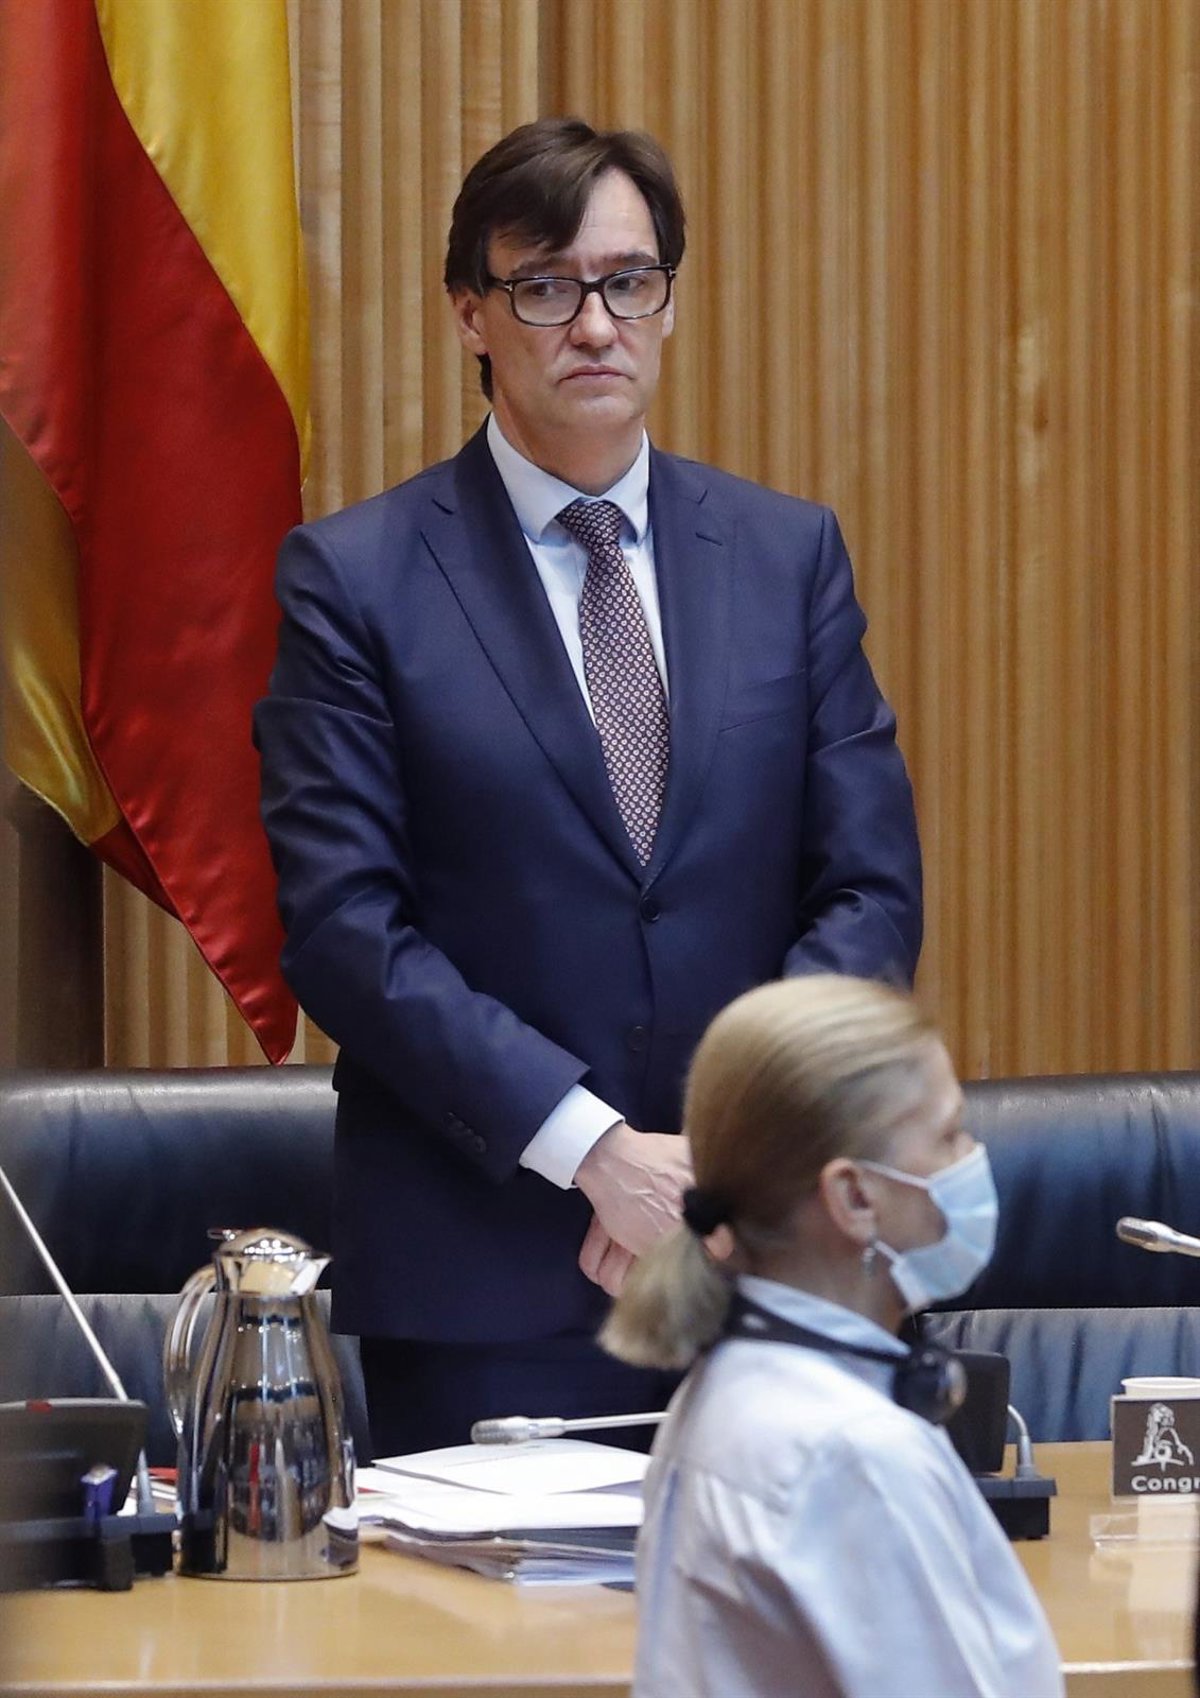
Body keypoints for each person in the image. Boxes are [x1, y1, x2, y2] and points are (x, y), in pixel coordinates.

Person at [254, 117, 922, 1459]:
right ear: (471, 314)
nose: (597, 324)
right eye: (547, 286)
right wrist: (598, 1151)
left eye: (629, 280)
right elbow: (345, 928)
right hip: (488, 1280)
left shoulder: (787, 556)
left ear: (669, 300)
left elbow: (867, 891)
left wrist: (725, 1165)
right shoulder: (355, 581)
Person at [602, 975, 1063, 1698]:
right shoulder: (856, 1456)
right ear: (854, 1197)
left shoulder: (722, 1391)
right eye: (949, 1135)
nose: (972, 1156)